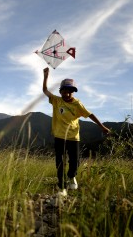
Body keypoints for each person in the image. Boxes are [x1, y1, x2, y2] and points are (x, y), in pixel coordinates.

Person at [42, 67, 110, 196]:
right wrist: (46, 76)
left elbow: (90, 114)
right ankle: (62, 188)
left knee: (75, 161)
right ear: (61, 91)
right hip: (59, 136)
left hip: (73, 136)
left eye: (70, 91)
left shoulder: (77, 104)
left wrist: (102, 126)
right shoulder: (57, 101)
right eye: (65, 91)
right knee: (60, 162)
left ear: (73, 92)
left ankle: (71, 176)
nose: (67, 94)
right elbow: (45, 91)